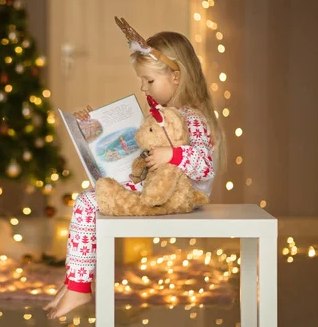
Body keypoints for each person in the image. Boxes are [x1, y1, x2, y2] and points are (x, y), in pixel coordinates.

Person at [44, 23, 226, 319]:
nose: (144, 88)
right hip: (160, 187)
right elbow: (139, 146)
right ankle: (73, 282)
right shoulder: (165, 113)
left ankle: (79, 286)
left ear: (176, 77)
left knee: (87, 203)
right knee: (93, 197)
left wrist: (173, 154)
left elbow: (205, 165)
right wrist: (94, 128)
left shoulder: (192, 117)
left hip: (175, 195)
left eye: (149, 80)